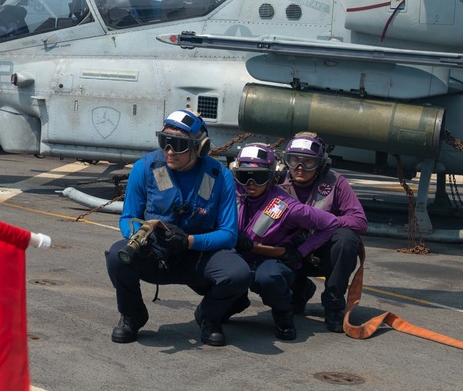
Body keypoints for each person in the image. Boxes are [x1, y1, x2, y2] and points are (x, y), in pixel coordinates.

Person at [105, 109, 251, 347]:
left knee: (237, 273)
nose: (170, 151)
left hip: (196, 257)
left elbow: (228, 234)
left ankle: (209, 316)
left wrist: (189, 241)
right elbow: (128, 216)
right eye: (165, 142)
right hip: (155, 255)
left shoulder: (219, 176)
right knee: (117, 256)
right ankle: (133, 315)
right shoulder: (145, 168)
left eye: (179, 145)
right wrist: (136, 238)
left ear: (199, 147)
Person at [232, 143, 339, 341]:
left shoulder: (287, 206)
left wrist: (301, 252)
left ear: (273, 176)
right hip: (236, 259)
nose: (251, 183)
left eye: (260, 176)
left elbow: (330, 223)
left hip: (270, 261)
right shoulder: (229, 194)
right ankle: (233, 302)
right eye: (244, 176)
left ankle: (283, 315)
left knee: (268, 277)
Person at [280, 132, 367, 332]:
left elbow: (360, 221)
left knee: (346, 239)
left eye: (308, 162)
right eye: (294, 161)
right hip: (291, 251)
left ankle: (334, 305)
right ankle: (299, 290)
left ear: (321, 164)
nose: (299, 168)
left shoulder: (336, 182)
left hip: (323, 254)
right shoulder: (277, 182)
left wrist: (325, 222)